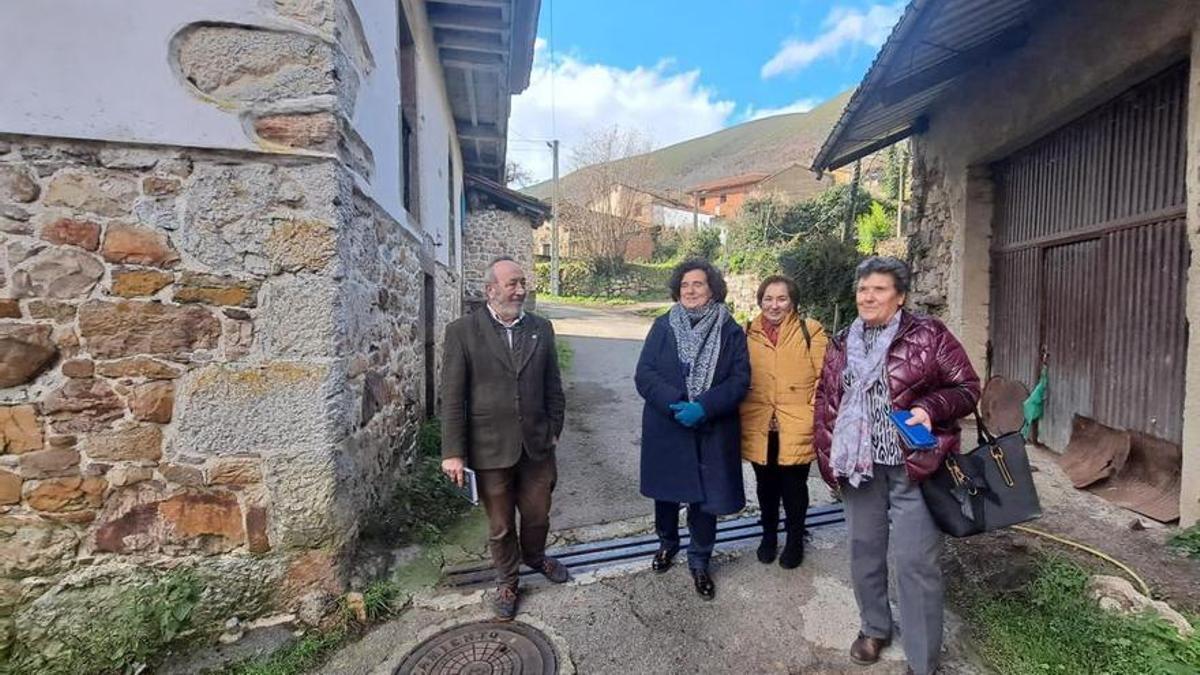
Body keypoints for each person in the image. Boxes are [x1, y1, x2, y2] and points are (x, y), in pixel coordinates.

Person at [813, 256, 980, 675]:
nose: (868, 297)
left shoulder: (929, 335)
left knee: (915, 561)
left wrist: (929, 406)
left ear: (900, 296)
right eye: (863, 289)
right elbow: (826, 402)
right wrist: (826, 458)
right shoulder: (841, 341)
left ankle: (922, 659)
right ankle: (874, 628)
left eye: (879, 289)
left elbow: (967, 387)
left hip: (915, 468)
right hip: (860, 468)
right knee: (863, 551)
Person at [441, 256, 568, 621]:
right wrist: (453, 452)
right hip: (489, 447)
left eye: (522, 283)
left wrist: (554, 430)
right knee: (499, 525)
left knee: (537, 515)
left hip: (537, 446)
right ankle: (508, 580)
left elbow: (553, 387)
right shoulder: (462, 331)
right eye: (512, 283)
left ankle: (535, 556)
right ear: (490, 290)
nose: (520, 290)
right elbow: (452, 397)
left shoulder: (541, 329)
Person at [635, 259, 749, 600]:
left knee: (704, 500)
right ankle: (667, 544)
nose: (690, 290)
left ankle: (700, 560)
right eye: (685, 285)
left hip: (710, 427)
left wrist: (704, 406)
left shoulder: (730, 330)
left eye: (698, 284)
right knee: (666, 494)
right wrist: (675, 402)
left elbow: (741, 380)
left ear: (712, 288)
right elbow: (645, 374)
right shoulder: (662, 326)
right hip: (667, 425)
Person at [739, 275, 827, 569]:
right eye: (768, 299)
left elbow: (824, 379)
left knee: (794, 485)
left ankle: (794, 539)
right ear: (760, 301)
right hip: (758, 421)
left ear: (793, 302)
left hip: (796, 422)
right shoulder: (747, 332)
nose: (774, 305)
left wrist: (810, 413)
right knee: (765, 485)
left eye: (781, 299)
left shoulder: (810, 331)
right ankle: (768, 535)